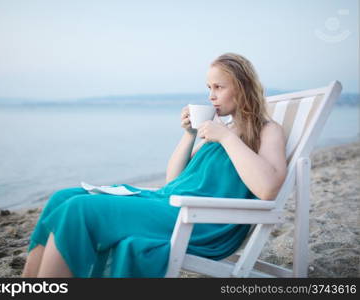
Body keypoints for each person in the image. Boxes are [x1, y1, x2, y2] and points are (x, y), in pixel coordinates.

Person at [21, 53, 287, 278]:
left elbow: (268, 189)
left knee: (79, 208)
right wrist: (189, 135)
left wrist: (226, 138)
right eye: (209, 88)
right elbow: (175, 180)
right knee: (62, 197)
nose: (211, 96)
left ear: (242, 87)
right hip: (170, 202)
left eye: (219, 87)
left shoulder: (266, 130)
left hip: (202, 221)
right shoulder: (222, 131)